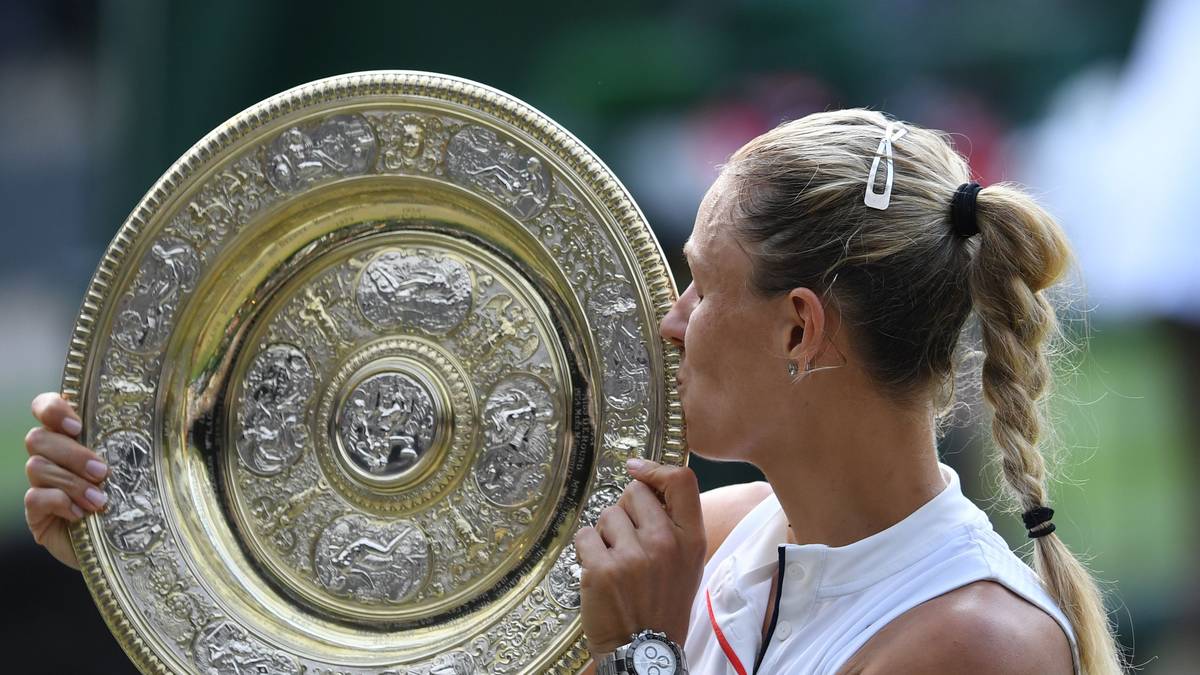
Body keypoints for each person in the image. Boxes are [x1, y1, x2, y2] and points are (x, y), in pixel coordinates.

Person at [23, 109, 1122, 674]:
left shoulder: (978, 643)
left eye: (699, 285)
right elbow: (389, 641)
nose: (670, 321)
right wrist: (138, 531)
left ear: (800, 328)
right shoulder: (723, 539)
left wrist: (643, 653)